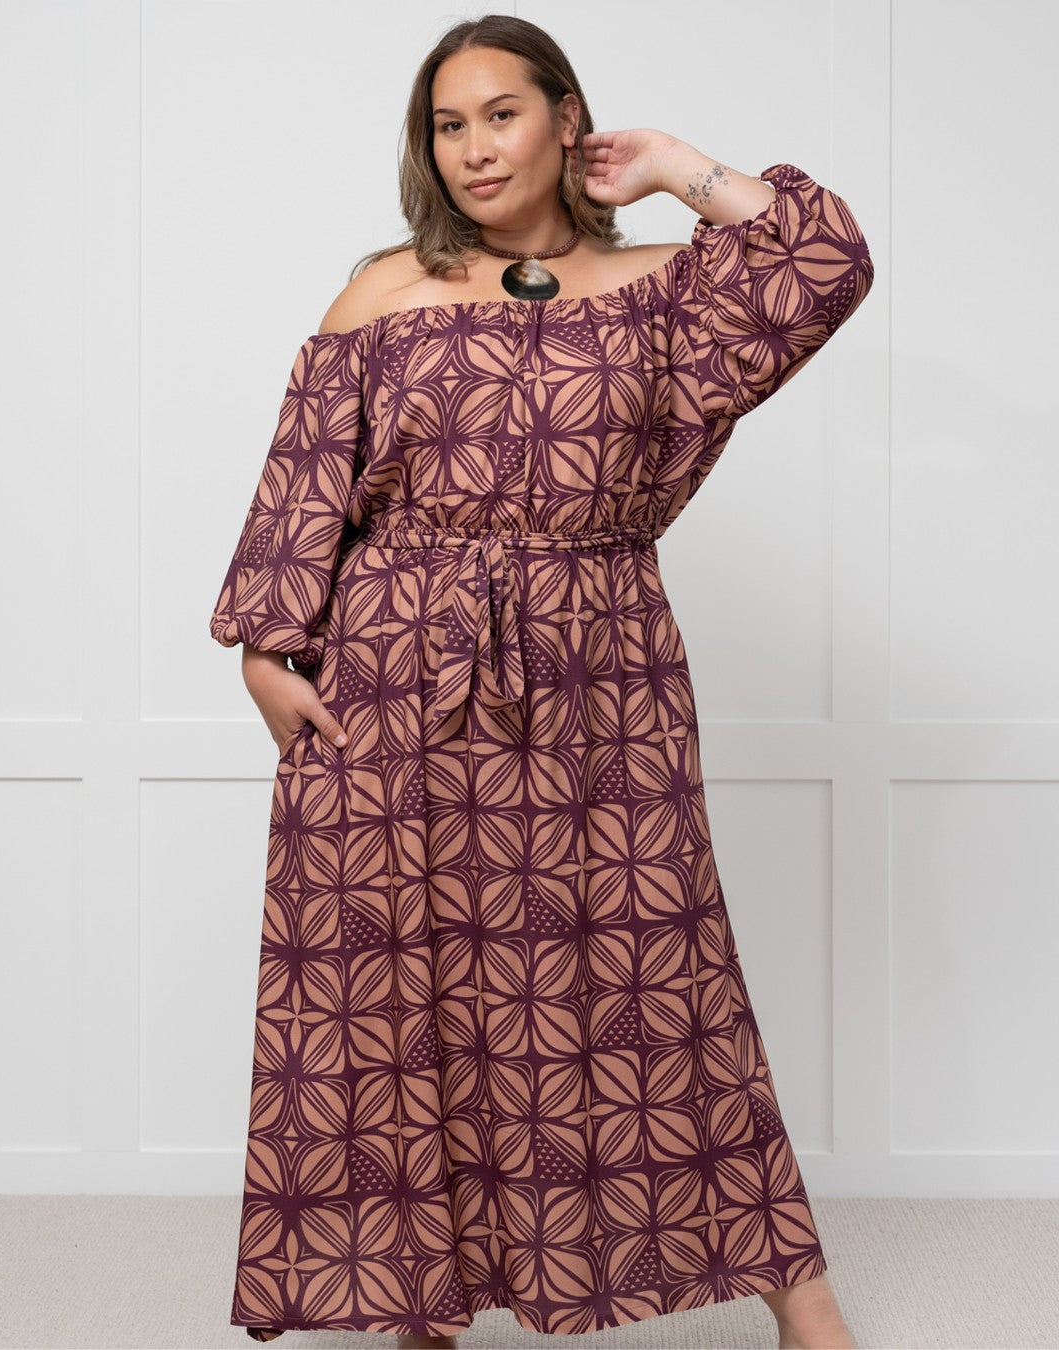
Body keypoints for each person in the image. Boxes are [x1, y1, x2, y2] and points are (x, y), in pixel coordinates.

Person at [209, 14, 873, 1350]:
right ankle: (420, 1303)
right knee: (401, 983)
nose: (474, 148)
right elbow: (305, 481)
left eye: (501, 114)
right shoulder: (384, 293)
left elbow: (825, 260)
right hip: (395, 675)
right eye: (448, 126)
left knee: (659, 976)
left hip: (601, 668)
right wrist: (269, 651)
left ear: (568, 118)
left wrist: (683, 167)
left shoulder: (663, 296)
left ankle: (804, 1301)